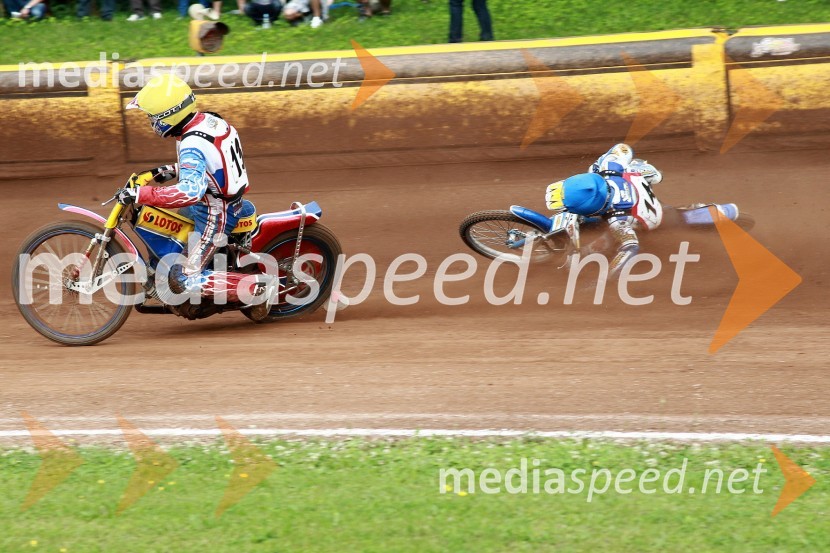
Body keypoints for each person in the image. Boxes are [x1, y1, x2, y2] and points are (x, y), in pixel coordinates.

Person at [119, 74, 275, 320]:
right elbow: (209, 165)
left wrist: (142, 193)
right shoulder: (207, 122)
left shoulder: (192, 144)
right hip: (215, 200)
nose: (151, 122)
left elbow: (190, 191)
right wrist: (164, 171)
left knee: (183, 278)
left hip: (217, 212)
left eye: (153, 116)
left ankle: (259, 289)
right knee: (175, 234)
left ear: (168, 115)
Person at [545, 143, 663, 277]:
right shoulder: (611, 167)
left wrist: (605, 278)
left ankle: (581, 254)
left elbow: (631, 246)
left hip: (648, 218)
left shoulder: (617, 220)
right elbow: (623, 148)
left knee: (601, 245)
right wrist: (600, 163)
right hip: (640, 194)